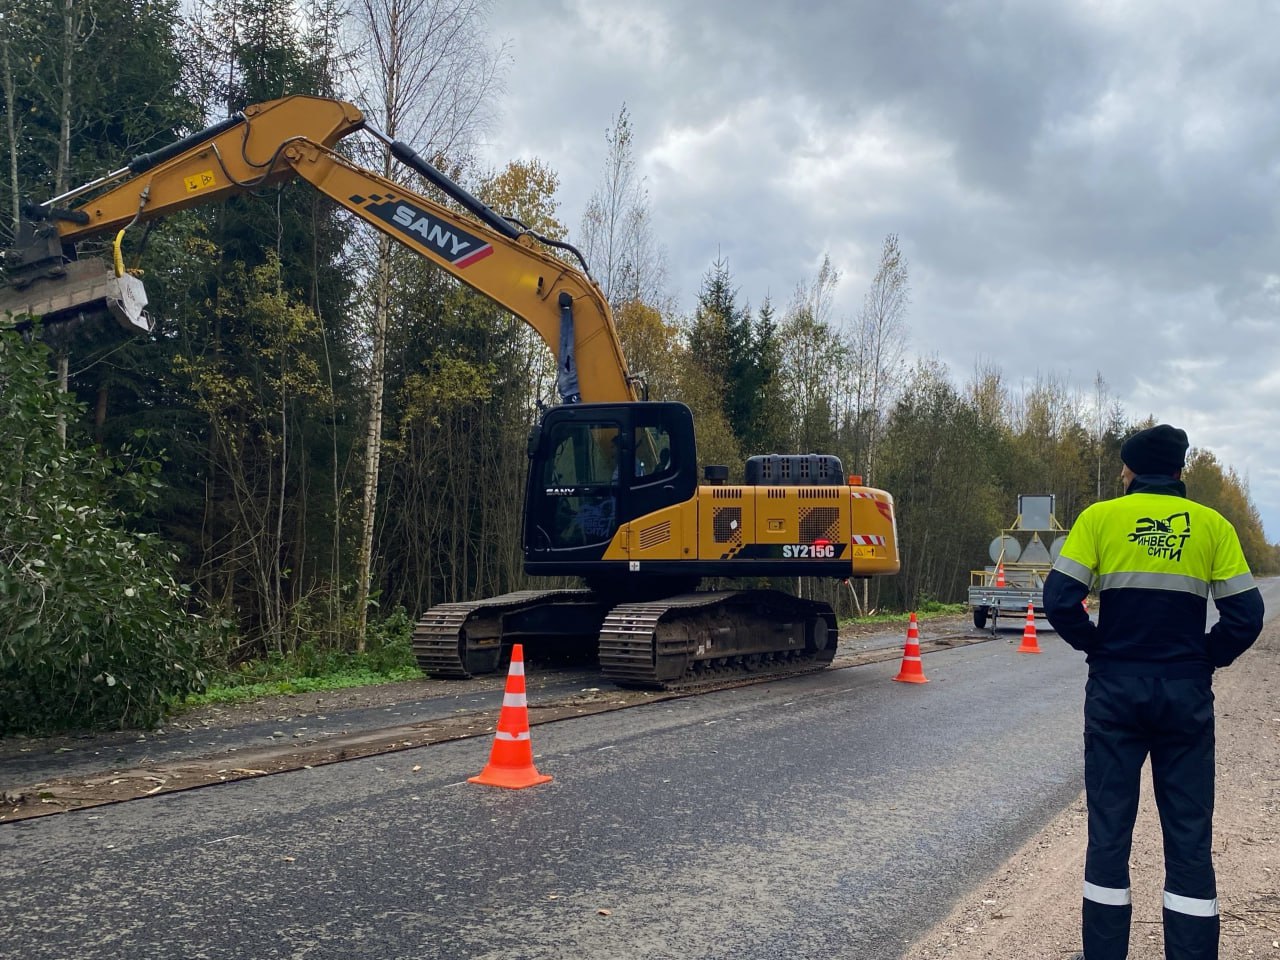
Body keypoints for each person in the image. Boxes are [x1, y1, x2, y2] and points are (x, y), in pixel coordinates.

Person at [1043, 423, 1264, 960]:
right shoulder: (1212, 525)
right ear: (1181, 470)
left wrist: (1098, 646)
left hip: (1116, 691)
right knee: (1189, 832)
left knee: (1109, 830)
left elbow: (1058, 600)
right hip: (1184, 693)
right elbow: (1248, 614)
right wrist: (1206, 656)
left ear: (1129, 470)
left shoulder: (1099, 519)